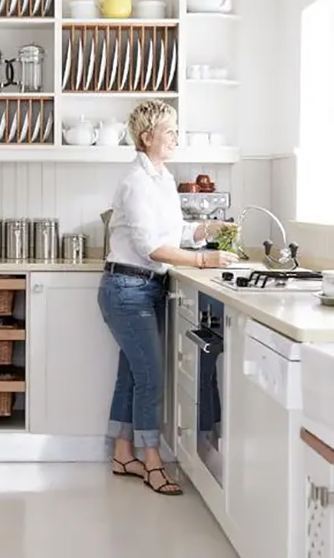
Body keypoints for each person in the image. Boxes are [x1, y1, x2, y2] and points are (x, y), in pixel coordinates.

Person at [97, 101, 237, 496]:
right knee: (151, 377)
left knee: (132, 374)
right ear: (147, 138)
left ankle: (124, 453)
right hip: (126, 289)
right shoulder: (135, 182)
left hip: (144, 288)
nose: (176, 137)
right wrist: (204, 258)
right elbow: (151, 246)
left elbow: (171, 231)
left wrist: (207, 227)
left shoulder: (161, 177)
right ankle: (152, 460)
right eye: (170, 131)